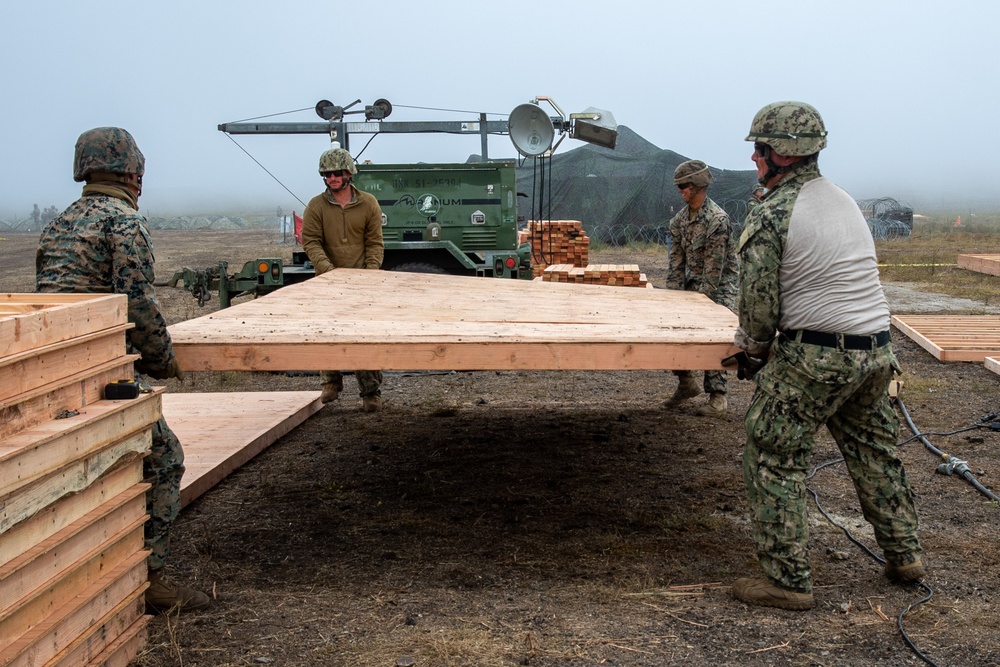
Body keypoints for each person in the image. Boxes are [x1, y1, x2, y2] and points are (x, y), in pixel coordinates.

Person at [731, 101, 923, 610]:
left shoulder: (772, 212)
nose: (754, 157)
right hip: (876, 352)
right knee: (874, 451)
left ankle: (787, 582)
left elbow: (759, 305)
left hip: (817, 356)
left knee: (773, 452)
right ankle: (905, 554)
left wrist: (750, 352)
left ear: (781, 155)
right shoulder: (842, 201)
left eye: (759, 148)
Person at [35, 127, 211, 613]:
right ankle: (150, 579)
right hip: (100, 367)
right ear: (135, 172)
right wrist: (164, 360)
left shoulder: (59, 223)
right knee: (164, 457)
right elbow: (137, 302)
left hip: (50, 369)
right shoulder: (125, 223)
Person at [301, 147, 385, 412]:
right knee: (326, 334)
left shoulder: (369, 203)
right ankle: (330, 383)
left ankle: (370, 392)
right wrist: (328, 271)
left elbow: (375, 243)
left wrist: (370, 275)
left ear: (349, 173)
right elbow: (311, 241)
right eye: (327, 174)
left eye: (337, 173)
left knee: (365, 337)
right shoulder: (316, 206)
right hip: (327, 282)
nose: (332, 178)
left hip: (362, 283)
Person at [663, 160, 739, 417]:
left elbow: (714, 272)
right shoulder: (679, 221)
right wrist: (671, 300)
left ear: (697, 186)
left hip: (718, 285)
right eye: (678, 186)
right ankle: (686, 383)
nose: (679, 190)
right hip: (692, 282)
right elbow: (675, 264)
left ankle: (718, 396)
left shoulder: (717, 221)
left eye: (683, 186)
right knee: (674, 326)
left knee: (713, 333)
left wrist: (703, 306)